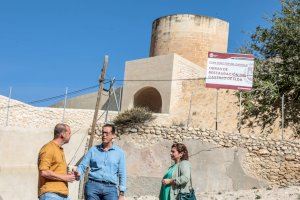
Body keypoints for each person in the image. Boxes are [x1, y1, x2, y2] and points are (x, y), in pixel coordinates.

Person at [75, 123, 126, 200]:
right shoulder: (93, 150)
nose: (104, 135)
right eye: (103, 132)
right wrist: (78, 172)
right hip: (93, 187)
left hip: (110, 189)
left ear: (113, 135)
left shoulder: (119, 153)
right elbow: (82, 166)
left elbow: (122, 173)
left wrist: (121, 193)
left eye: (107, 133)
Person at [38, 123, 76, 200]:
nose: (70, 135)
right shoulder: (48, 148)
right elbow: (44, 172)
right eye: (69, 133)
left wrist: (70, 175)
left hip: (62, 194)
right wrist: (65, 177)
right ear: (62, 134)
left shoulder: (59, 149)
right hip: (51, 194)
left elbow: (55, 170)